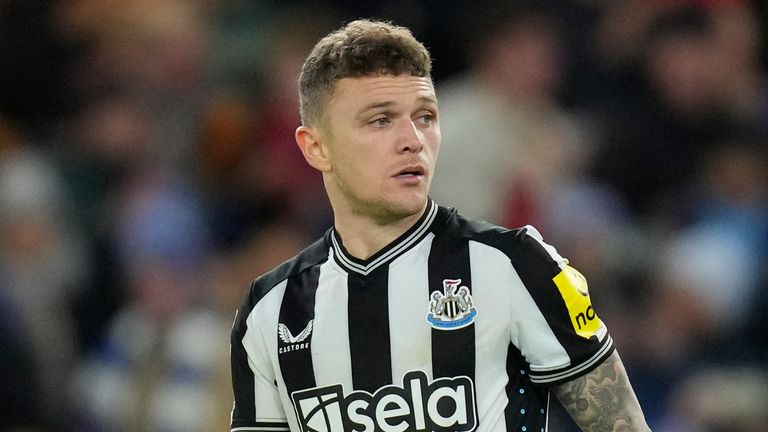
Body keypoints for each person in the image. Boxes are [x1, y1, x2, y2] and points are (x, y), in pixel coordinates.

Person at [230, 19, 651, 432]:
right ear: (316, 147)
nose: (412, 139)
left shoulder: (518, 266)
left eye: (425, 117)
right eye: (381, 120)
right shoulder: (270, 309)